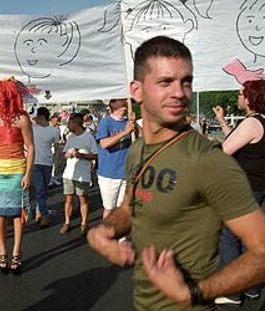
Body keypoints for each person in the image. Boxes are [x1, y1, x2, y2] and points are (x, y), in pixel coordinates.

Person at [87, 36, 265, 310]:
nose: (180, 93)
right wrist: (104, 231)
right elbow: (129, 208)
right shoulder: (137, 150)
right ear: (136, 90)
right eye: (165, 82)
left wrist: (193, 293)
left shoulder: (209, 161)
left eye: (186, 82)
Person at [212, 79, 265, 304]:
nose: (238, 97)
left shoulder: (252, 123)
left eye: (241, 93)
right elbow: (244, 141)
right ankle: (252, 287)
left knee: (229, 235)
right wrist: (223, 122)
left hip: (245, 190)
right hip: (259, 188)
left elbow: (224, 151)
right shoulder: (259, 122)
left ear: (250, 98)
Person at [0, 79, 34, 275]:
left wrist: (28, 174)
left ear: (6, 96)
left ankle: (16, 252)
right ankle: (2, 251)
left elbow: (31, 147)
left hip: (17, 171)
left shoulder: (23, 119)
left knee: (17, 213)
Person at [96, 99, 135, 219]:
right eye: (120, 100)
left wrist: (134, 123)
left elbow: (145, 139)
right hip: (109, 174)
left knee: (123, 209)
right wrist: (124, 133)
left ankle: (121, 237)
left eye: (125, 100)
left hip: (126, 173)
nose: (124, 102)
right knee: (110, 208)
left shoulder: (130, 122)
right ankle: (107, 235)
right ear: (112, 104)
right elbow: (104, 144)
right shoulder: (105, 122)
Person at [60, 113, 97, 235]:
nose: (68, 125)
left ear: (77, 124)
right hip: (69, 173)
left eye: (70, 123)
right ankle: (67, 222)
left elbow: (96, 155)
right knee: (68, 199)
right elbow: (64, 154)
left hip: (83, 173)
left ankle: (84, 223)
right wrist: (69, 154)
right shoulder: (70, 137)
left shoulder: (89, 137)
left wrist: (82, 155)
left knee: (83, 199)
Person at [31, 107, 60, 227]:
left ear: (42, 117)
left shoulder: (53, 131)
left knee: (44, 190)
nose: (35, 118)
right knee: (39, 190)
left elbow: (57, 148)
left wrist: (56, 163)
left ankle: (39, 210)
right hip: (35, 163)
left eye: (36, 116)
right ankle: (44, 215)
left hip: (47, 163)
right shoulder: (32, 128)